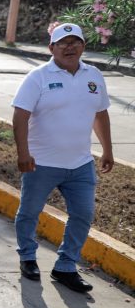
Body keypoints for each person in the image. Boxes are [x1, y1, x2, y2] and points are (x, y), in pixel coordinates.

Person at [12, 23, 113, 293]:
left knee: (83, 214)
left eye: (75, 42)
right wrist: (23, 153)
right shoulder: (38, 77)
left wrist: (107, 149)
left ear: (83, 46)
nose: (70, 47)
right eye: (63, 43)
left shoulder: (94, 76)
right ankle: (27, 256)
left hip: (80, 163)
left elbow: (100, 114)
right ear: (51, 48)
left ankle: (66, 266)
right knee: (29, 213)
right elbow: (20, 116)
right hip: (41, 163)